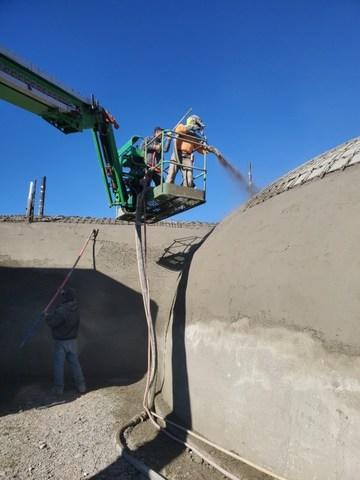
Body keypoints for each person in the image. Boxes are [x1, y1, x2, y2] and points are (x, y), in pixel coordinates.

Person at [45, 287, 86, 395]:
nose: (61, 297)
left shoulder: (61, 310)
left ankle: (59, 389)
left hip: (61, 342)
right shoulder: (76, 308)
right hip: (72, 341)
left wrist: (46, 317)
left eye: (63, 295)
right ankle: (81, 386)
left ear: (65, 297)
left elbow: (53, 323)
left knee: (58, 365)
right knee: (75, 364)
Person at [166, 115, 207, 187]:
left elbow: (201, 150)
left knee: (189, 179)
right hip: (177, 154)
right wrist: (191, 127)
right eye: (197, 125)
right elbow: (178, 130)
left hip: (187, 157)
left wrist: (206, 147)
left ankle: (185, 191)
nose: (197, 128)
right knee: (171, 174)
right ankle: (168, 188)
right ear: (193, 122)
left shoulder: (194, 137)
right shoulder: (181, 127)